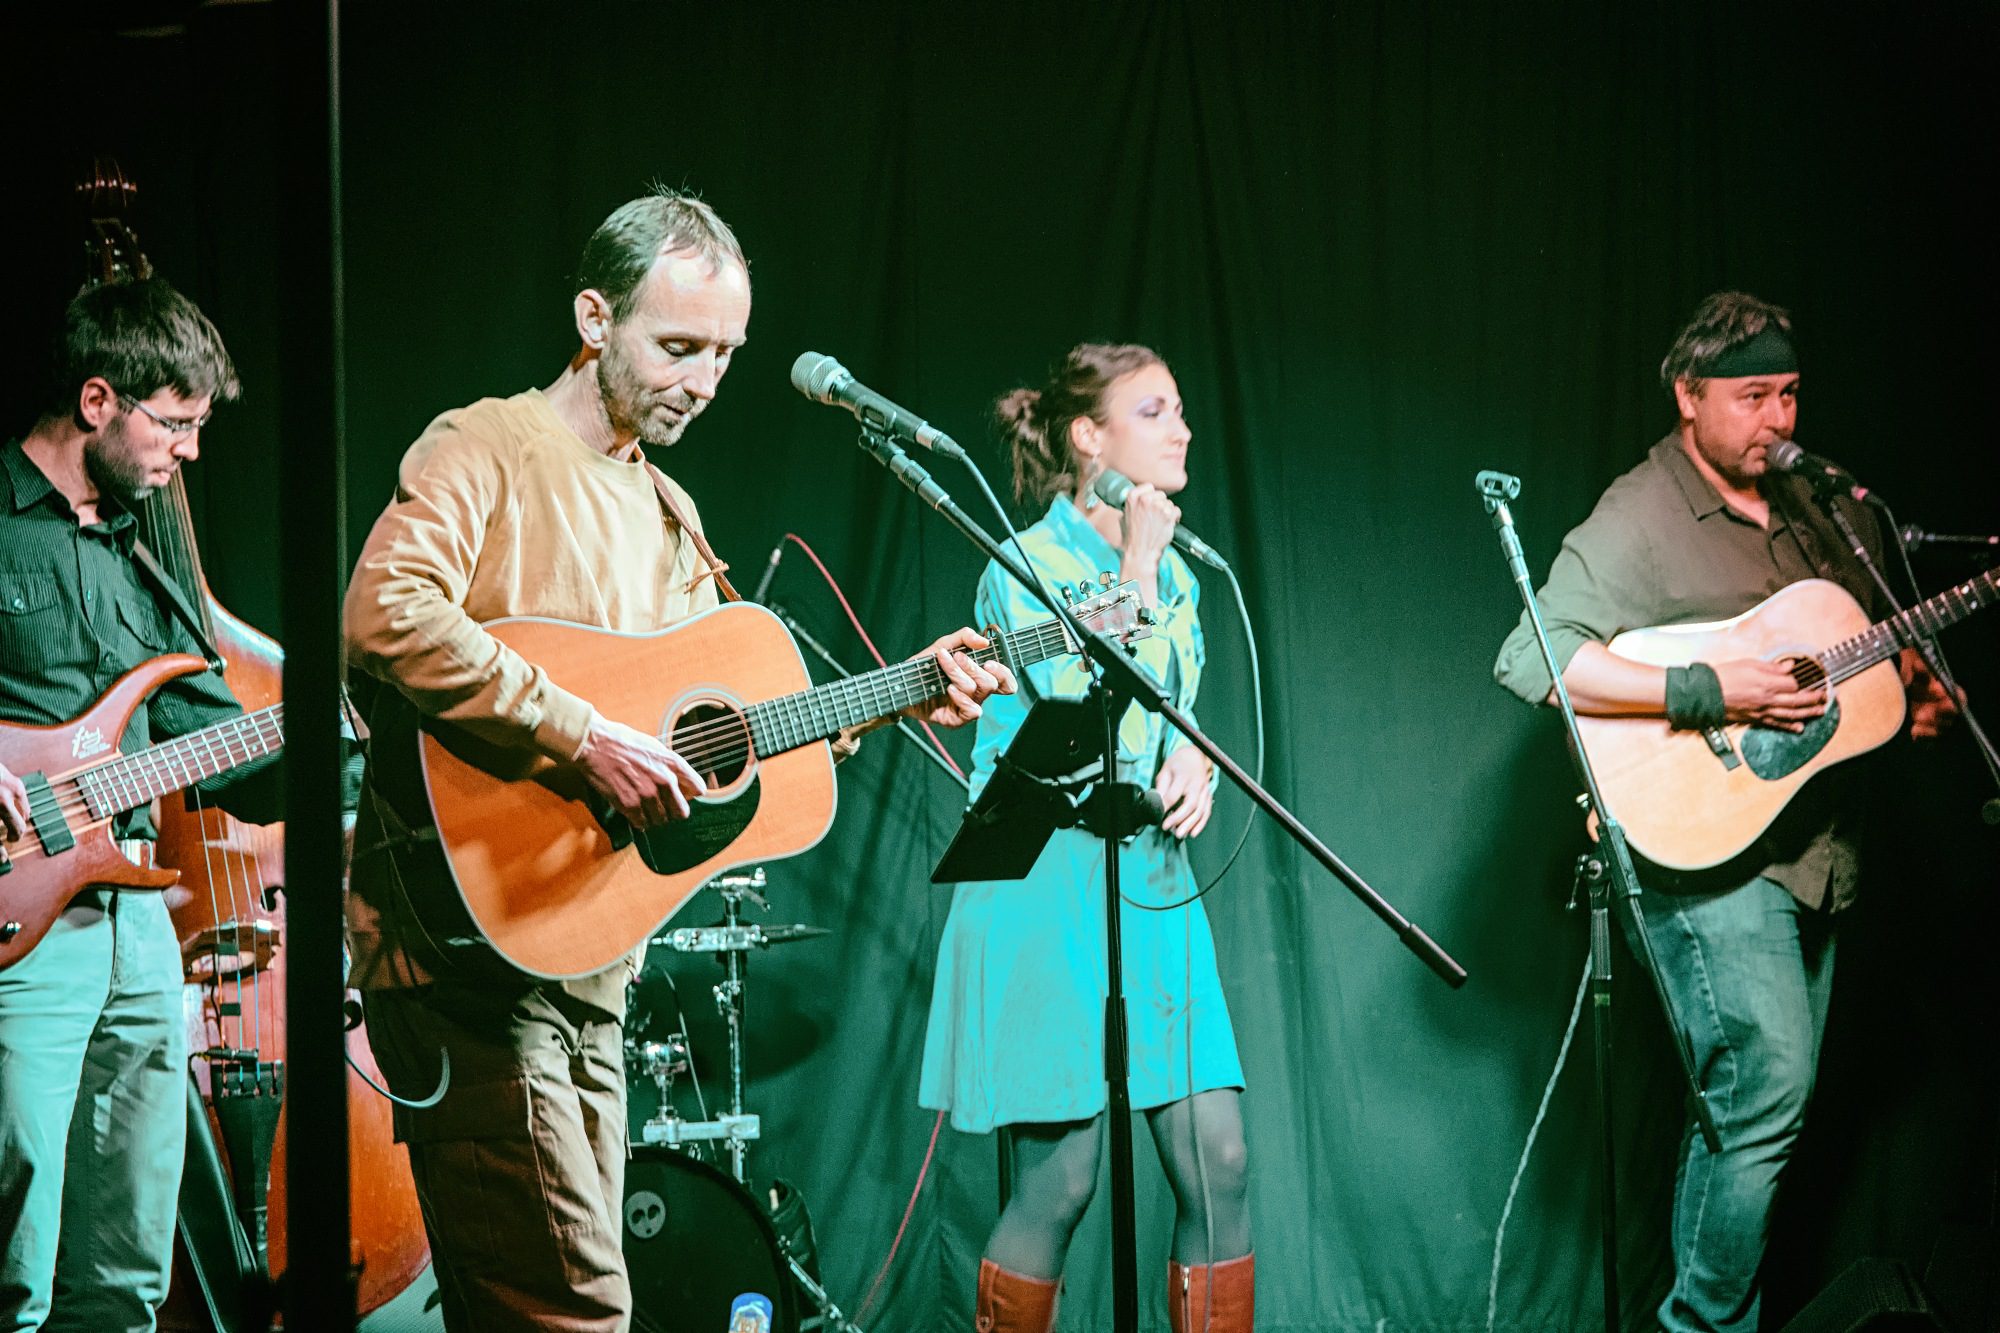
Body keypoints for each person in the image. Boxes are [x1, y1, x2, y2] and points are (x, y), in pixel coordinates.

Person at [341, 187, 1013, 1333]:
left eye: (724, 354)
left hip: (586, 959)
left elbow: (727, 725)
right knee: (572, 1309)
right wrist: (579, 733)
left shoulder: (666, 508)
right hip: (467, 948)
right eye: (678, 346)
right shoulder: (484, 445)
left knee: (556, 1303)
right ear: (593, 318)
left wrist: (899, 692)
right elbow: (383, 611)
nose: (703, 380)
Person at [1493, 291, 1959, 1333]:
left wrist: (1909, 700)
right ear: (1688, 394)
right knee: (1763, 1093)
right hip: (1706, 859)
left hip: (1812, 854)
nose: (1776, 420)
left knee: (1756, 1109)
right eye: (1751, 397)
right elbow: (1533, 655)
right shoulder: (1643, 512)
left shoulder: (1821, 509)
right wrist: (1706, 688)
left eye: (1788, 394)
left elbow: (1844, 660)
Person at [920, 343, 1254, 1333]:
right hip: (1042, 869)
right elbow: (1076, 695)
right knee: (1061, 1178)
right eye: (1154, 412)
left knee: (1220, 1159)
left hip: (1147, 868)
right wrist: (1137, 565)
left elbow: (1170, 707)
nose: (1181, 430)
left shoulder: (1183, 576)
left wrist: (1192, 758)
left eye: (1180, 409)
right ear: (1087, 438)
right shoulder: (1023, 564)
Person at [0, 277, 279, 1332]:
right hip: (23, 932)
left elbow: (222, 742)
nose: (189, 451)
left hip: (137, 927)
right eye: (175, 423)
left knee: (126, 1270)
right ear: (97, 400)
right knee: (13, 1261)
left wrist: (359, 740)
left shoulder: (144, 559)